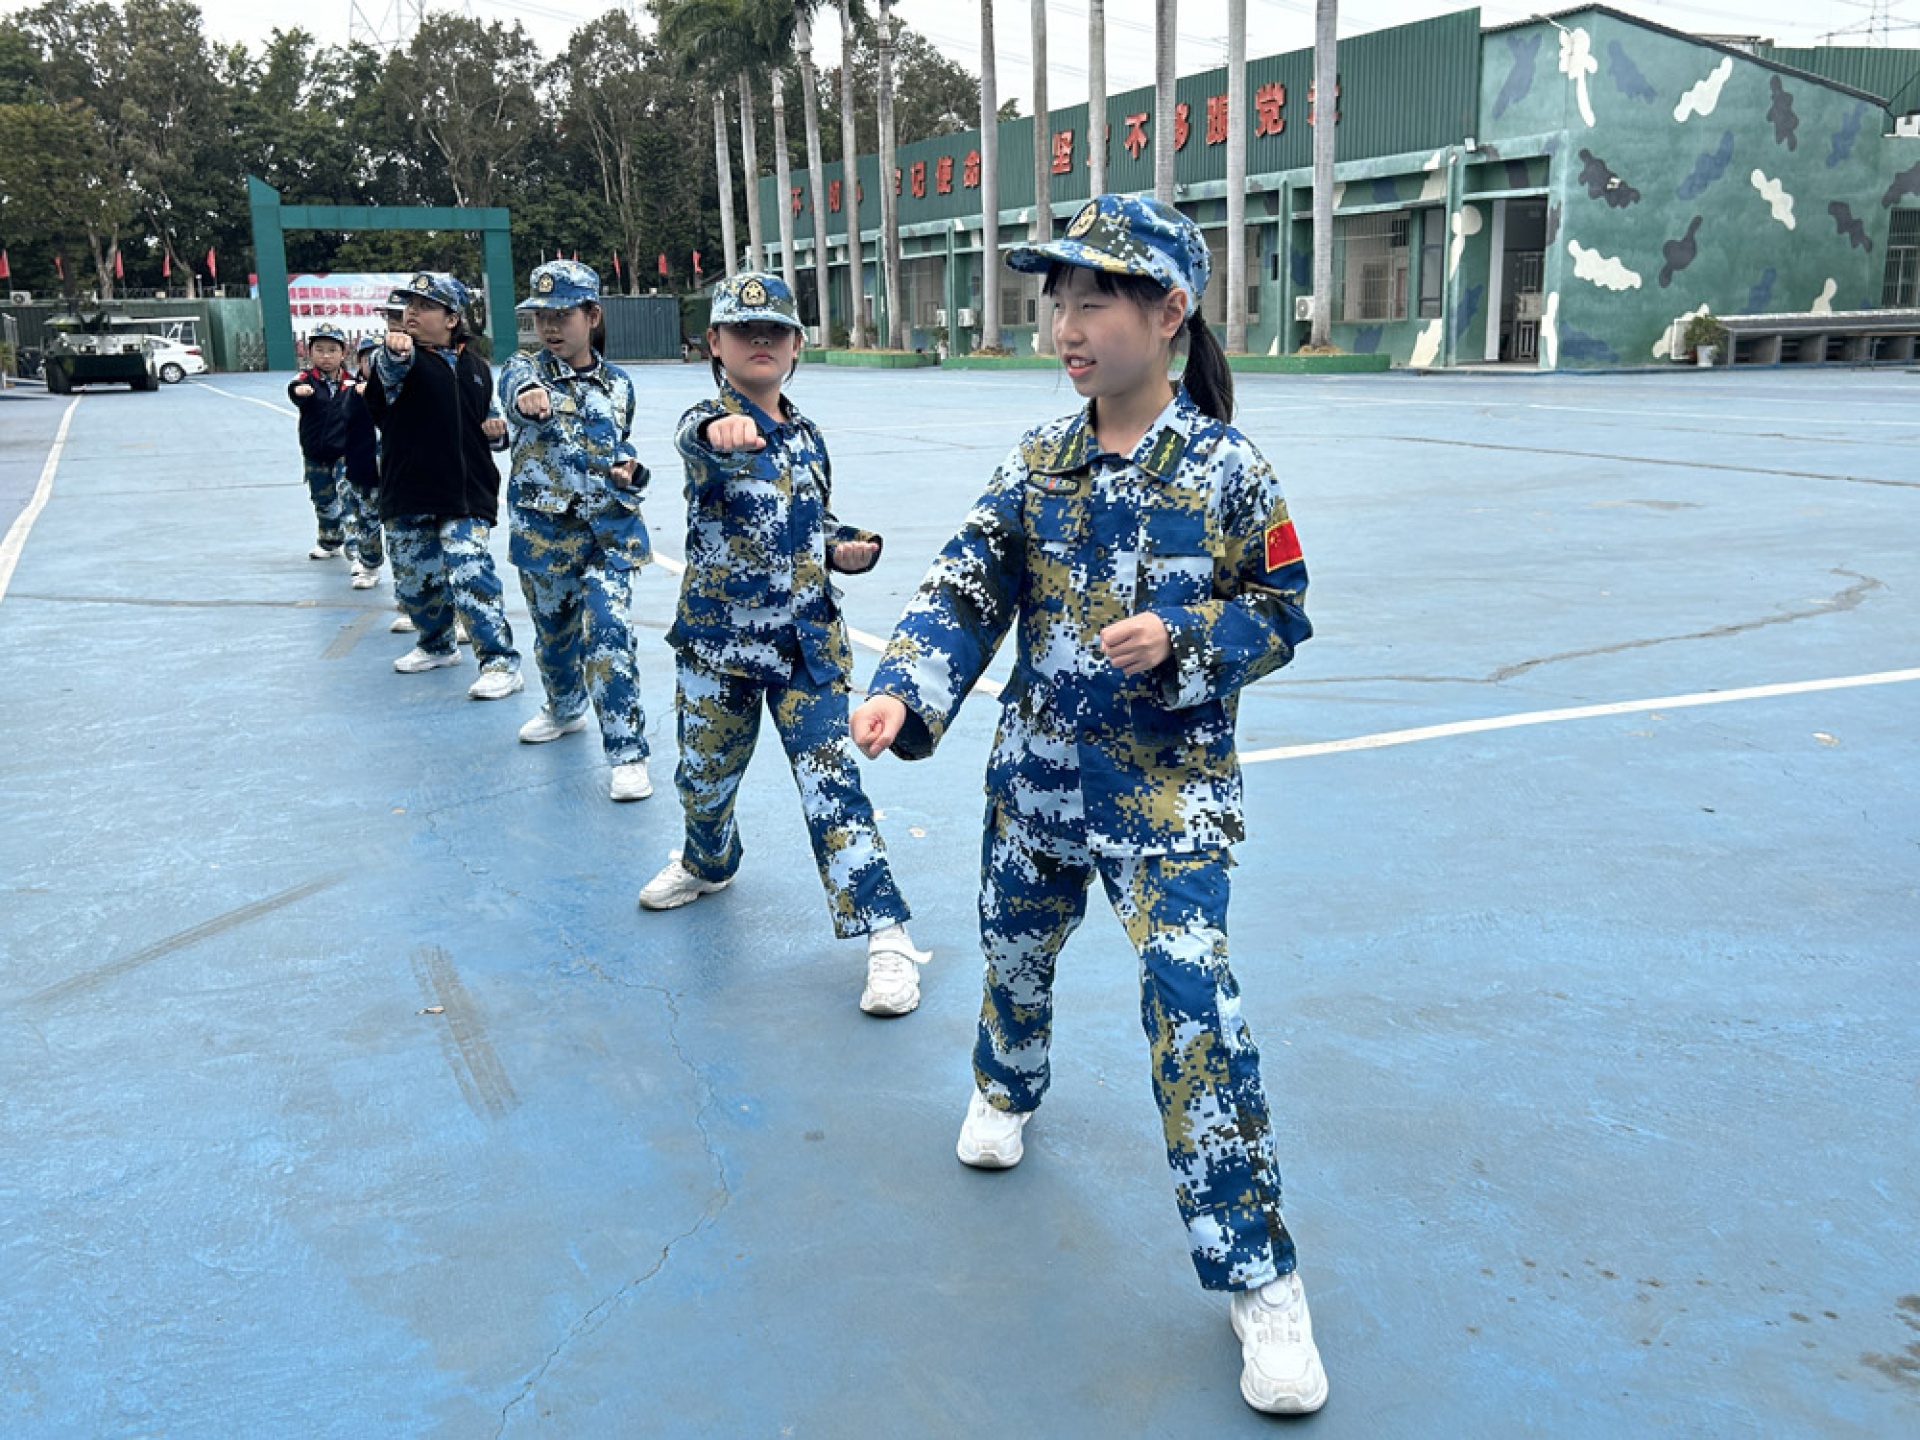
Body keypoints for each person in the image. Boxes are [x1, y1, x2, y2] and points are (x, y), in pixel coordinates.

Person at [849, 194, 1327, 1414]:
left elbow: (1282, 612)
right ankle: (1007, 1082)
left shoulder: (1227, 471)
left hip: (1171, 797)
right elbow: (963, 588)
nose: (1067, 324)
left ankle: (1259, 1275)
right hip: (1041, 782)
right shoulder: (1035, 464)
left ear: (1171, 313)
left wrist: (1184, 638)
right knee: (1014, 954)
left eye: (1096, 299)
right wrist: (904, 687)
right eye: (1060, 300)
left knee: (1192, 1002)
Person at [639, 271, 930, 1017]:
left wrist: (846, 545)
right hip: (720, 649)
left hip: (807, 649)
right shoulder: (707, 422)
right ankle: (708, 862)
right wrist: (721, 434)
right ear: (716, 343)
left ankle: (887, 935)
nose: (761, 341)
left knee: (833, 788)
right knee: (703, 782)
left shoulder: (807, 436)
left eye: (775, 331)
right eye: (745, 331)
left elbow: (814, 520)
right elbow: (698, 443)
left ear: (797, 345)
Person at [498, 261, 655, 803]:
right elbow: (517, 393)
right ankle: (565, 708)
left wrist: (629, 468)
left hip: (609, 533)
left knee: (610, 634)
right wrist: (528, 397)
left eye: (562, 315)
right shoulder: (524, 370)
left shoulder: (620, 384)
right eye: (541, 317)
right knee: (555, 639)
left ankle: (627, 754)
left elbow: (619, 443)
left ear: (592, 316)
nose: (549, 327)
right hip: (545, 534)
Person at [363, 272, 523, 700]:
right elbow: (386, 375)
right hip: (409, 491)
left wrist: (497, 433)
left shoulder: (476, 368)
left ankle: (500, 663)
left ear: (452, 318)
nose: (412, 313)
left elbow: (492, 422)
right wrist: (394, 352)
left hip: (466, 493)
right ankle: (436, 645)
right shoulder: (400, 358)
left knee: (470, 569)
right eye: (409, 306)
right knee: (416, 582)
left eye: (425, 306)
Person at [288, 323, 353, 564]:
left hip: (345, 454)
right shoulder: (306, 380)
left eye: (332, 350)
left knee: (349, 498)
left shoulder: (351, 382)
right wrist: (299, 391)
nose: (326, 356)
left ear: (343, 353)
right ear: (310, 353)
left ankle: (357, 546)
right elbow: (294, 389)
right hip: (316, 452)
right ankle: (329, 541)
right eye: (320, 350)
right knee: (323, 499)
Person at [339, 335, 385, 591]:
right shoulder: (351, 391)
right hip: (365, 472)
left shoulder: (402, 389)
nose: (375, 364)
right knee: (367, 522)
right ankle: (369, 564)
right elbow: (345, 416)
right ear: (359, 363)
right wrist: (361, 395)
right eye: (369, 359)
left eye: (381, 358)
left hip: (398, 474)